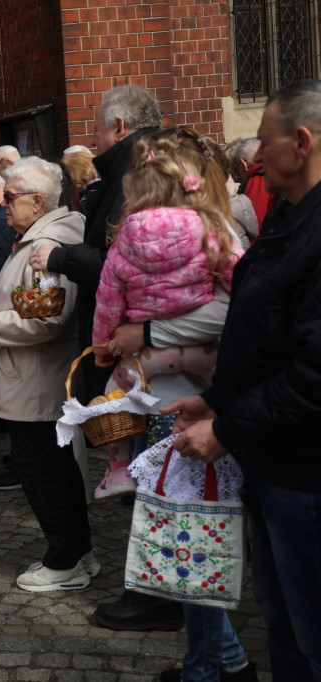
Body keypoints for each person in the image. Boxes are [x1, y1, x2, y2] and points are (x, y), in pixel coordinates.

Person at [164, 79, 321, 680]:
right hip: (273, 461)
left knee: (312, 634)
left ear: (301, 143)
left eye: (267, 141)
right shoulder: (288, 216)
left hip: (306, 472)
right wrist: (214, 400)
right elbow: (262, 337)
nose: (253, 156)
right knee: (284, 626)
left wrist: (227, 428)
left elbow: (313, 377)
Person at [28, 85, 181, 631]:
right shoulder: (145, 163)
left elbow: (120, 258)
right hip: (145, 345)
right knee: (154, 472)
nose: (91, 141)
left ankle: (163, 597)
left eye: (95, 129)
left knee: (159, 474)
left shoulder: (136, 170)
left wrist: (62, 256)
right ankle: (159, 591)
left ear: (118, 127)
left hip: (148, 352)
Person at [0, 157, 95, 592]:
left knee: (45, 474)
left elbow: (47, 320)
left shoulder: (50, 243)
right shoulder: (38, 236)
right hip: (29, 379)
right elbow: (33, 301)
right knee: (51, 471)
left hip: (36, 383)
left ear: (37, 202)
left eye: (11, 197)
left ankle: (65, 559)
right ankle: (76, 552)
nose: (4, 205)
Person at [90, 130, 242, 499]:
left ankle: (119, 467)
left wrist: (104, 348)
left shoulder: (125, 237)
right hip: (205, 353)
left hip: (145, 362)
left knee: (111, 397)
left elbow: (107, 301)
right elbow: (241, 287)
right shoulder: (212, 228)